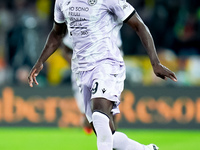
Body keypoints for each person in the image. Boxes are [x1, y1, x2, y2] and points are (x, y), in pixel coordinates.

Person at [28, 0, 177, 150]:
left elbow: (139, 25)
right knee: (106, 135)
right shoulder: (62, 2)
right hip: (82, 71)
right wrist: (40, 61)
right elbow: (57, 33)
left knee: (99, 117)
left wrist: (155, 63)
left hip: (107, 64)